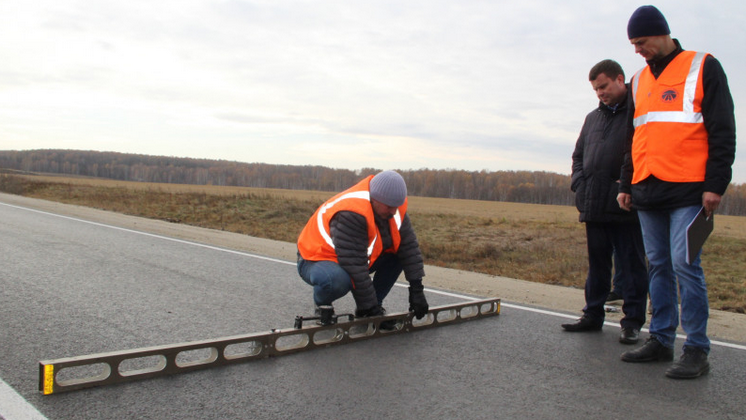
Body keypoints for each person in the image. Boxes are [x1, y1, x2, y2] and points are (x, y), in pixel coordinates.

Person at [618, 6, 736, 379]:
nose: (638, 50)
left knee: (686, 266)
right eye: (633, 44)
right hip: (647, 190)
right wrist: (626, 183)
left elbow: (723, 130)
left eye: (642, 42)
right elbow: (634, 138)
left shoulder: (703, 66)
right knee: (658, 266)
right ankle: (662, 339)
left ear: (662, 33)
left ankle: (697, 348)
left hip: (688, 189)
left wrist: (716, 184)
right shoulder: (638, 81)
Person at [562, 59, 649, 345]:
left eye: (603, 86)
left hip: (626, 206)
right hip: (594, 204)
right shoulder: (592, 118)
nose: (600, 92)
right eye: (596, 89)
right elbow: (578, 157)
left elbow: (642, 154)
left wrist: (628, 187)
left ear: (620, 79)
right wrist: (580, 185)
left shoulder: (638, 114)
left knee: (632, 265)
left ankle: (632, 322)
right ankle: (592, 315)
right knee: (597, 265)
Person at [296, 170, 429, 327]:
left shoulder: (394, 210)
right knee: (336, 281)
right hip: (315, 259)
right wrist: (370, 310)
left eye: (397, 206)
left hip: (351, 258)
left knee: (399, 254)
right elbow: (355, 266)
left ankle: (373, 304)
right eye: (389, 207)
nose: (394, 211)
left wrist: (416, 289)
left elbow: (409, 248)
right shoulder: (351, 212)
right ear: (375, 199)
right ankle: (323, 305)